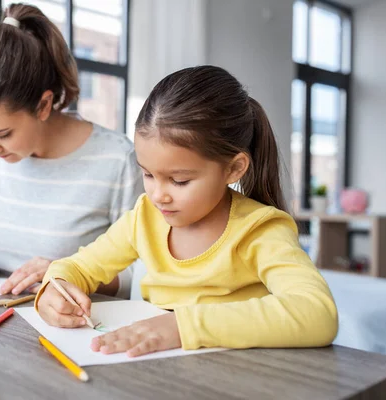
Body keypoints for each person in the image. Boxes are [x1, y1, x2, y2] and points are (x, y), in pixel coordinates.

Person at [36, 65, 338, 357]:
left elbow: (317, 313)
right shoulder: (144, 218)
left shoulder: (260, 229)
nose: (158, 195)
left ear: (234, 169)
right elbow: (79, 267)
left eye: (179, 181)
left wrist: (182, 326)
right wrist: (57, 286)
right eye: (148, 174)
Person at [0, 3, 143, 298]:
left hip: (74, 323)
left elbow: (139, 273)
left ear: (44, 105)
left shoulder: (117, 160)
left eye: (2, 134)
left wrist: (72, 272)